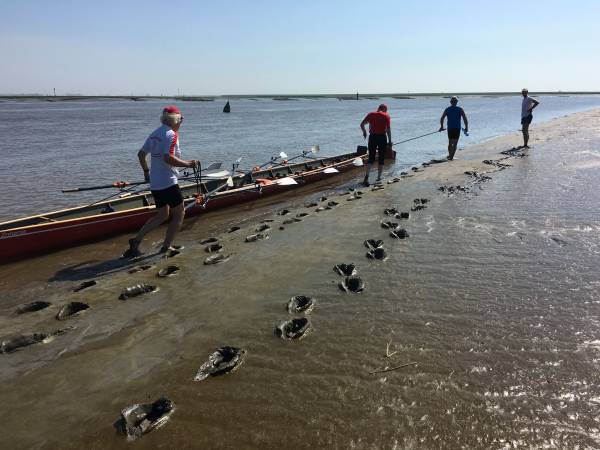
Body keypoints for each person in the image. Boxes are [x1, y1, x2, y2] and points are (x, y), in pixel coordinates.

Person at [122, 105, 198, 258]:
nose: (182, 122)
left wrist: (146, 172)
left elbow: (141, 155)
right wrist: (188, 164)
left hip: (155, 183)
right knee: (179, 214)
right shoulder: (172, 134)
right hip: (168, 182)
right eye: (181, 119)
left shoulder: (155, 133)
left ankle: (136, 240)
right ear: (176, 120)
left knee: (162, 215)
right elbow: (167, 157)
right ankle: (166, 247)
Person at [360, 104, 392, 186]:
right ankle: (378, 178)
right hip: (382, 137)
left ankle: (366, 177)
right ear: (385, 109)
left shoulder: (371, 114)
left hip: (372, 137)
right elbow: (388, 130)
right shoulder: (386, 116)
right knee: (381, 158)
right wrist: (390, 141)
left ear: (378, 108)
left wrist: (364, 132)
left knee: (371, 158)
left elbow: (362, 124)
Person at [439, 96, 468, 160]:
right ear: (456, 102)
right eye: (454, 101)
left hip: (451, 128)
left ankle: (450, 156)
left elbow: (442, 118)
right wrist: (466, 127)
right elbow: (465, 119)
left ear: (450, 102)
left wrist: (441, 126)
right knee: (455, 143)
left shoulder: (447, 109)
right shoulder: (460, 109)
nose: (454, 102)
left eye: (454, 101)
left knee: (450, 142)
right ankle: (451, 157)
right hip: (456, 128)